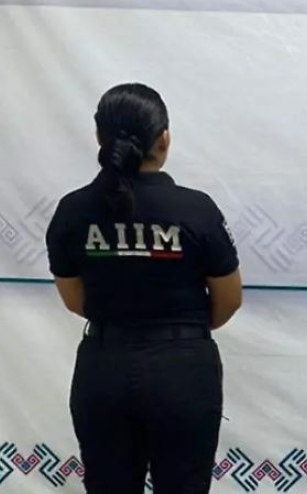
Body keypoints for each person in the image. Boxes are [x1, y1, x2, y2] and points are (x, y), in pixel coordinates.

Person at [45, 83, 242, 494]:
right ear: (164, 138)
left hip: (104, 368)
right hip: (183, 372)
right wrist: (180, 329)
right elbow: (228, 300)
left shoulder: (73, 210)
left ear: (99, 137)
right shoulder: (196, 210)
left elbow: (74, 299)